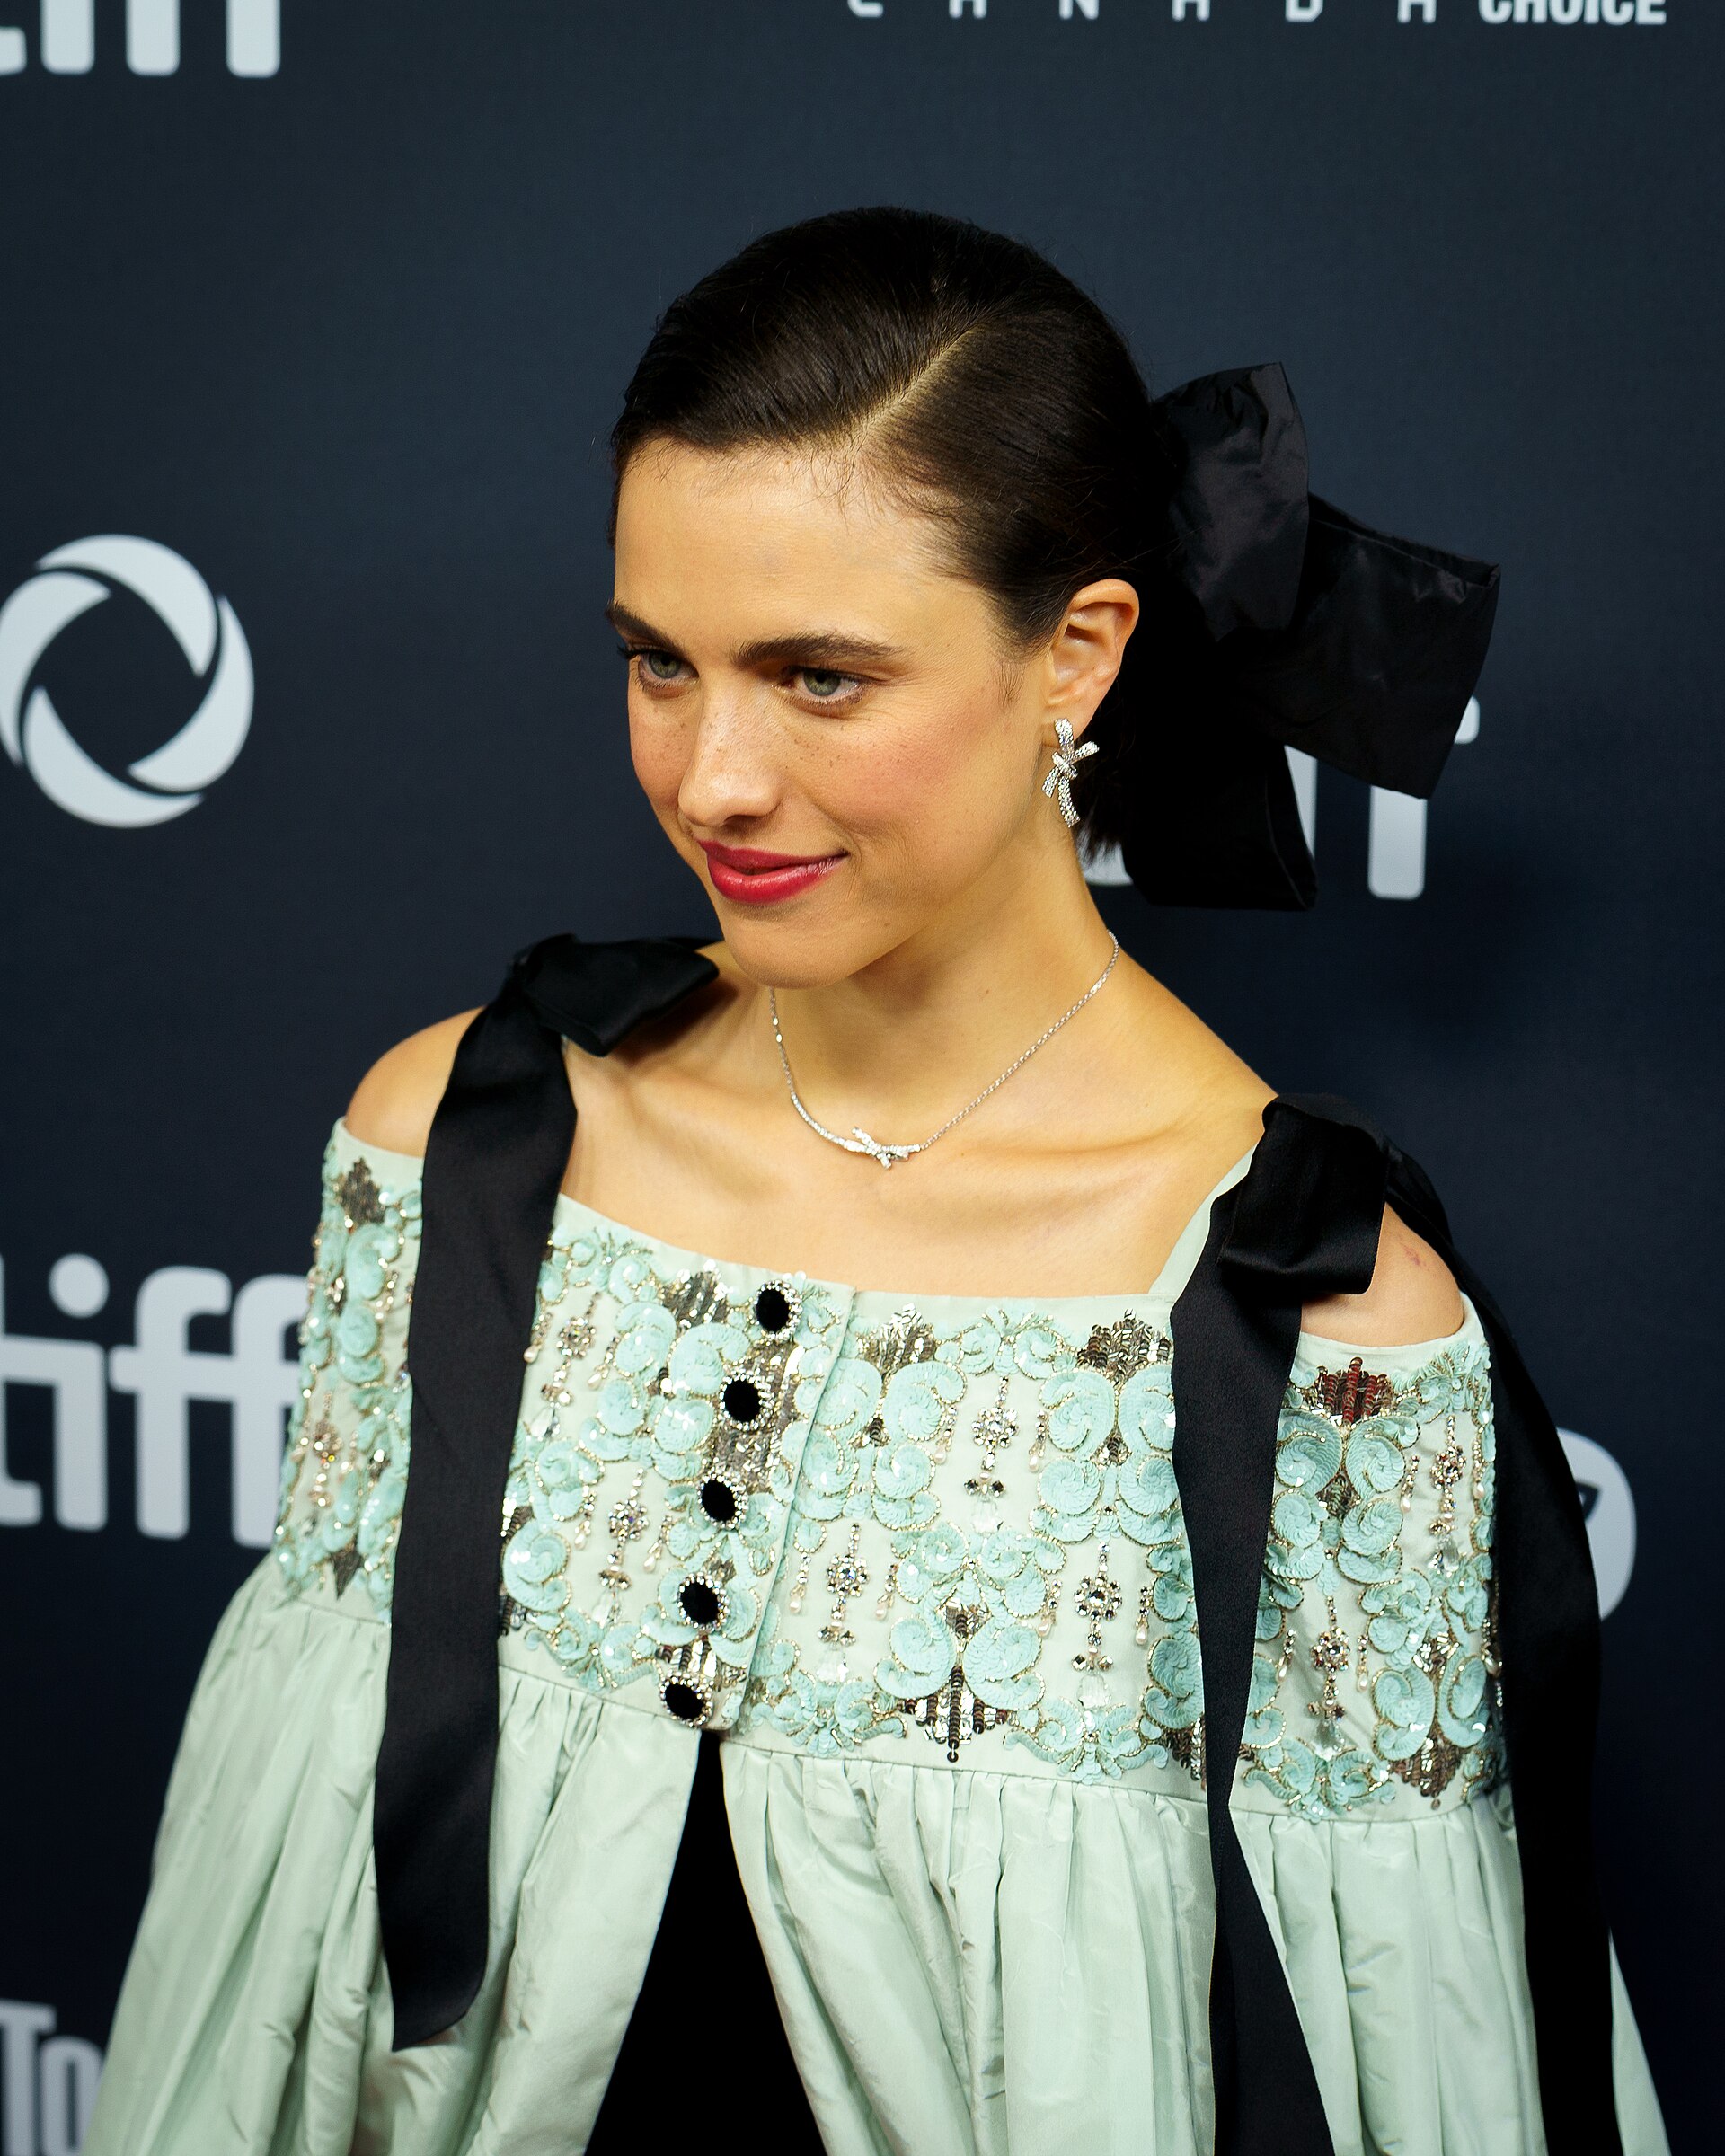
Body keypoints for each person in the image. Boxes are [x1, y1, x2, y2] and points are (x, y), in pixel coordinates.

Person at [86, 208, 1668, 2156]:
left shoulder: (1312, 1319)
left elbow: (1404, 2068)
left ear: (1076, 658)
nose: (714, 777)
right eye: (658, 662)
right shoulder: (458, 1148)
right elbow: (269, 1968)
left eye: (819, 677)